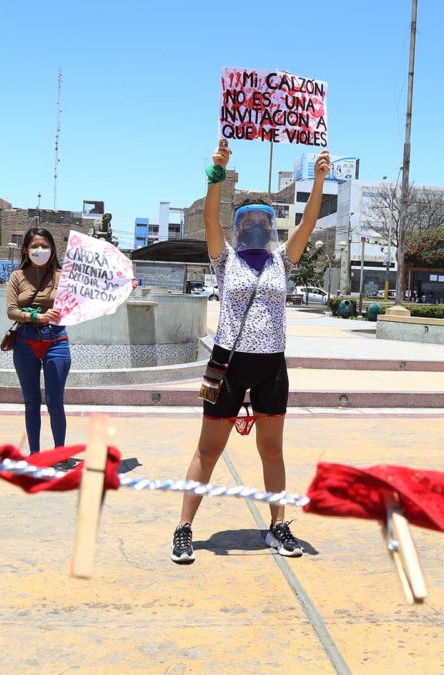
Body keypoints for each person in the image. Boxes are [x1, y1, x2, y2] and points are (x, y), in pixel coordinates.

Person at [171, 140, 330, 565]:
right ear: (239, 225)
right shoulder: (225, 262)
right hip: (227, 364)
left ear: (271, 224)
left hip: (271, 367)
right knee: (208, 451)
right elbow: (209, 217)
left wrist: (318, 180)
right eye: (249, 219)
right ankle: (185, 529)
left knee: (272, 451)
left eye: (264, 219)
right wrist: (216, 175)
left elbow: (310, 223)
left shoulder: (282, 261)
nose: (257, 225)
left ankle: (278, 525)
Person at [6, 228, 70, 454]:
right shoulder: (17, 276)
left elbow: (90, 297)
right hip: (25, 342)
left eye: (44, 246)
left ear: (52, 249)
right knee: (31, 402)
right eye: (35, 246)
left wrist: (122, 288)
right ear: (26, 249)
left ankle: (59, 453)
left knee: (55, 403)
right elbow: (11, 311)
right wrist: (36, 316)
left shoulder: (63, 277)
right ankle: (35, 453)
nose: (39, 250)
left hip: (56, 341)